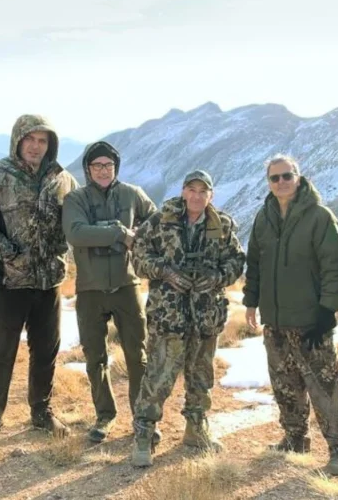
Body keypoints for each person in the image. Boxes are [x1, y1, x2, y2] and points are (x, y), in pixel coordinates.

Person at [0, 114, 79, 461]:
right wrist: (10, 254)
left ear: (50, 144)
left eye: (43, 141)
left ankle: (42, 413)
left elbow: (73, 224)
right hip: (7, 281)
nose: (36, 146)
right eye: (30, 139)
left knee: (46, 350)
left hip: (48, 283)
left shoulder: (63, 179)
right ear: (18, 140)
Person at [242, 155, 338, 476]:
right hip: (275, 321)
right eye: (274, 178)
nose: (281, 183)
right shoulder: (264, 219)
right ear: (268, 182)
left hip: (310, 320)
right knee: (285, 385)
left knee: (324, 385)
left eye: (286, 176)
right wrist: (251, 302)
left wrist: (327, 312)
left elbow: (335, 266)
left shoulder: (319, 217)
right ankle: (295, 439)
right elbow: (255, 264)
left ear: (298, 177)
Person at [129, 170, 245, 467]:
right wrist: (165, 271)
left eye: (202, 190)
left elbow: (236, 261)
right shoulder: (160, 221)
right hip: (169, 315)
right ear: (183, 191)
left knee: (201, 377)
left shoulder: (223, 225)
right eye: (191, 189)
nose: (196, 195)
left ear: (210, 195)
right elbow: (138, 257)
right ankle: (144, 435)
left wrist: (217, 277)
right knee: (158, 377)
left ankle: (196, 429)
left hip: (206, 316)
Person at [62, 141, 157, 443]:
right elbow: (76, 233)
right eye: (97, 165)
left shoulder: (132, 194)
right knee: (95, 357)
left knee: (137, 355)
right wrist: (119, 233)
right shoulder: (75, 199)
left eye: (108, 165)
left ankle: (142, 419)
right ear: (88, 169)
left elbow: (155, 221)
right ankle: (105, 415)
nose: (103, 170)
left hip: (127, 286)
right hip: (89, 289)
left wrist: (137, 236)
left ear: (115, 167)